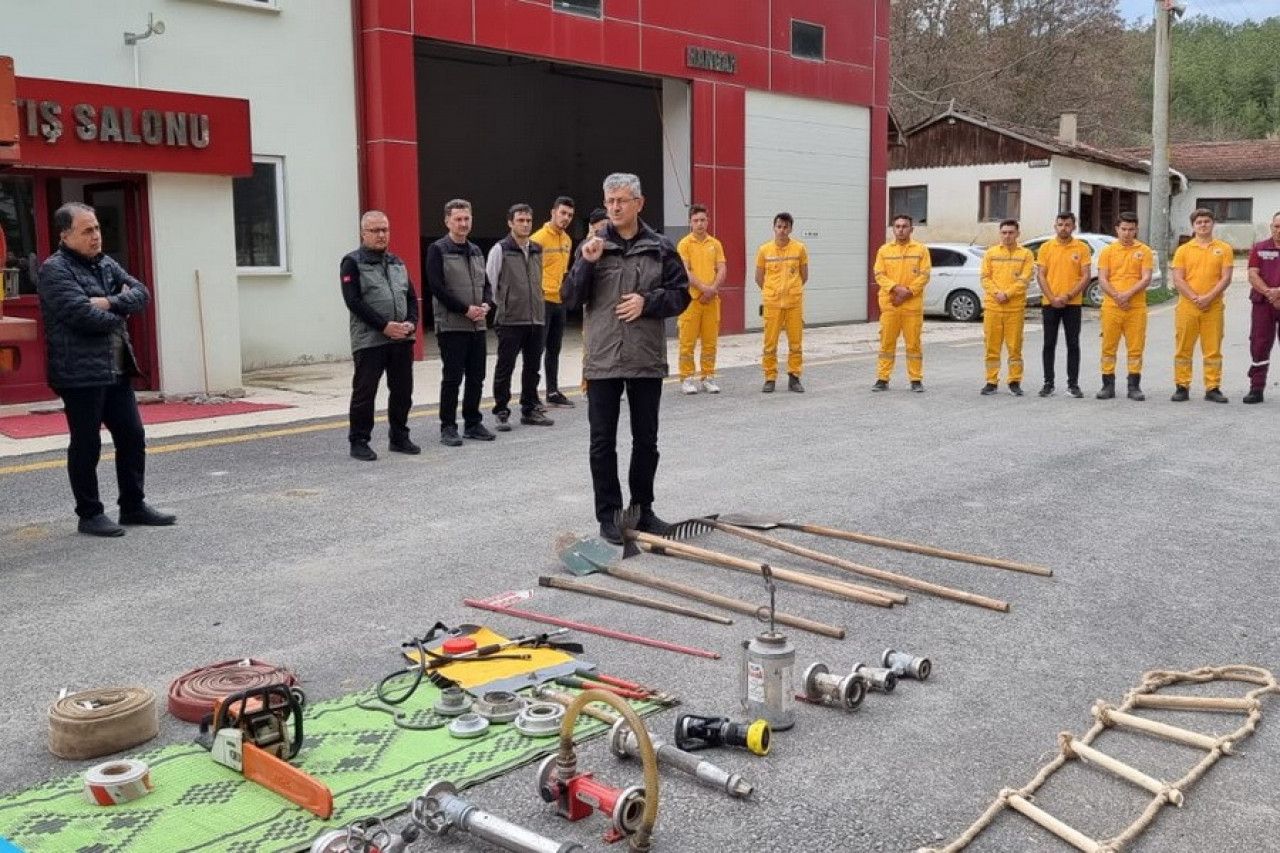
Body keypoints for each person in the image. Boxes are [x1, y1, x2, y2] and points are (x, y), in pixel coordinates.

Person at [562, 173, 690, 545]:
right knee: (602, 442)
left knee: (645, 439)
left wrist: (648, 302)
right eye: (610, 201)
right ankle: (609, 515)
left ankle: (642, 510)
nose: (615, 207)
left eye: (622, 200)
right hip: (602, 358)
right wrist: (585, 264)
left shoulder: (660, 247)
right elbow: (570, 298)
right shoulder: (592, 245)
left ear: (639, 203)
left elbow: (681, 295)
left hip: (645, 356)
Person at [37, 202, 175, 537]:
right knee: (87, 444)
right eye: (87, 230)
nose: (96, 236)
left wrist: (111, 302)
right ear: (65, 235)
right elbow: (83, 315)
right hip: (79, 373)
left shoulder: (105, 264)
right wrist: (120, 311)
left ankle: (132, 505)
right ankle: (89, 514)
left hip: (115, 369)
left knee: (132, 435)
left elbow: (142, 293)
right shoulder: (54, 270)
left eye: (97, 228)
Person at [341, 210, 419, 461]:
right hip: (370, 340)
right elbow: (353, 301)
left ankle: (399, 437)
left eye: (385, 230)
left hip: (400, 339)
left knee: (402, 391)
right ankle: (359, 440)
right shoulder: (352, 262)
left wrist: (411, 323)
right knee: (365, 392)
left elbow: (410, 298)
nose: (381, 235)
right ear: (363, 233)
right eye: (375, 230)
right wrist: (384, 326)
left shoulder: (397, 262)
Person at [425, 198, 495, 444]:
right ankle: (448, 427)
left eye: (466, 218)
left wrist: (486, 303)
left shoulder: (476, 250)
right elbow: (437, 287)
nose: (463, 223)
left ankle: (473, 422)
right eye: (458, 219)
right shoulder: (438, 249)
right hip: (452, 325)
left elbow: (486, 284)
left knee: (477, 376)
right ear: (447, 221)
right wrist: (465, 309)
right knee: (453, 377)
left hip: (477, 325)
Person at [487, 203, 553, 430]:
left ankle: (530, 408)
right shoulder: (500, 249)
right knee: (505, 367)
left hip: (536, 319)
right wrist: (506, 305)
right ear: (510, 223)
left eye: (528, 221)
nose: (525, 224)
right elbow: (491, 284)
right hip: (510, 320)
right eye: (520, 220)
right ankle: (501, 410)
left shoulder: (537, 249)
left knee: (532, 367)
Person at [1170, 208, 1233, 402]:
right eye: (1199, 222)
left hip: (1213, 307)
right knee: (1183, 348)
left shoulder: (1224, 249)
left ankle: (1212, 387)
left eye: (1206, 221)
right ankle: (1182, 386)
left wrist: (1209, 298)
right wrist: (1196, 298)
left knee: (1213, 349)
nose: (1203, 225)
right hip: (1187, 306)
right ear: (1193, 226)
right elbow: (1178, 279)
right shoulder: (1183, 250)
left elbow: (1226, 278)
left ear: (1213, 223)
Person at [1095, 212, 1153, 401]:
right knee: (1108, 348)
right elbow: (1103, 278)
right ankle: (1107, 386)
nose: (1127, 233)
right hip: (1111, 307)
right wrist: (1116, 296)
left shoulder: (1144, 251)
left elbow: (1146, 278)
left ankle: (1134, 386)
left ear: (1136, 229)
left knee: (1135, 348)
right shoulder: (1107, 251)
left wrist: (1127, 295)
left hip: (1135, 307)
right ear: (1117, 230)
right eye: (1123, 229)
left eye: (1131, 229)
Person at [871, 214, 931, 392]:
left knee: (913, 344)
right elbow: (879, 274)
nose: (901, 229)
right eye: (897, 226)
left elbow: (924, 275)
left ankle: (915, 379)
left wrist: (908, 292)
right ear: (893, 229)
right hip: (890, 305)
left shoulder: (921, 250)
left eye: (905, 226)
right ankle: (882, 378)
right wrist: (896, 288)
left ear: (911, 229)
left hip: (911, 306)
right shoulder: (884, 250)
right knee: (886, 343)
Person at [1035, 211, 1091, 398]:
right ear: (1055, 226)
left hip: (1072, 303)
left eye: (1067, 225)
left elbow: (1085, 276)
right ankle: (1048, 383)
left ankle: (1073, 385)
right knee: (1049, 343)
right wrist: (1051, 297)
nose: (1063, 228)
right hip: (1049, 302)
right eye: (1060, 224)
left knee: (1073, 344)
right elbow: (1041, 274)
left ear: (1074, 226)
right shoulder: (1046, 247)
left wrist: (1068, 295)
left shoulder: (1081, 248)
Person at [676, 204, 727, 394]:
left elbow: (722, 268)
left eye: (703, 220)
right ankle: (687, 378)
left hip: (712, 301)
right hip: (690, 301)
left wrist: (713, 289)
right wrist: (704, 288)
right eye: (696, 220)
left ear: (708, 221)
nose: (700, 224)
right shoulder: (684, 244)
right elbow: (685, 271)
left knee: (710, 341)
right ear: (690, 222)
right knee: (687, 342)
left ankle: (708, 376)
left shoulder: (715, 244)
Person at [979, 219, 1033, 396]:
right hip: (993, 308)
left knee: (1015, 347)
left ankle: (1014, 381)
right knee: (991, 347)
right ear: (999, 233)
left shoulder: (1025, 254)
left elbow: (1024, 280)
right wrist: (997, 293)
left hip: (1014, 309)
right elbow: (985, 278)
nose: (1007, 236)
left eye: (1011, 232)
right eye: (1004, 232)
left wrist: (1007, 294)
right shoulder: (991, 253)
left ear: (1017, 234)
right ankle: (991, 381)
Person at [755, 213, 809, 393]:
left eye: (786, 227)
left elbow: (804, 275)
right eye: (779, 226)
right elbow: (759, 278)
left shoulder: (799, 249)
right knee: (770, 343)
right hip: (772, 304)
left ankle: (794, 377)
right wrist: (773, 291)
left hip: (794, 303)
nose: (782, 230)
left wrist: (791, 290)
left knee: (796, 343)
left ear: (791, 229)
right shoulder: (764, 250)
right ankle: (769, 377)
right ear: (774, 228)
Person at [531, 196, 576, 408]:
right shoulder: (538, 239)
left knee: (554, 349)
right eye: (562, 213)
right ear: (553, 212)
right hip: (542, 301)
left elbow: (565, 271)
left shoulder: (567, 240)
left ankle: (552, 390)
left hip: (559, 301)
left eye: (569, 215)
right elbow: (530, 272)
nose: (565, 218)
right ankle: (531, 394)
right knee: (536, 349)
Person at [1243, 211, 1280, 404]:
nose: (1279, 230)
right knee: (1259, 344)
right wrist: (1269, 293)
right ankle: (1256, 388)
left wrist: (1278, 292)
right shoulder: (1259, 248)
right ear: (1271, 226)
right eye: (1277, 226)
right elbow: (1252, 274)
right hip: (1263, 304)